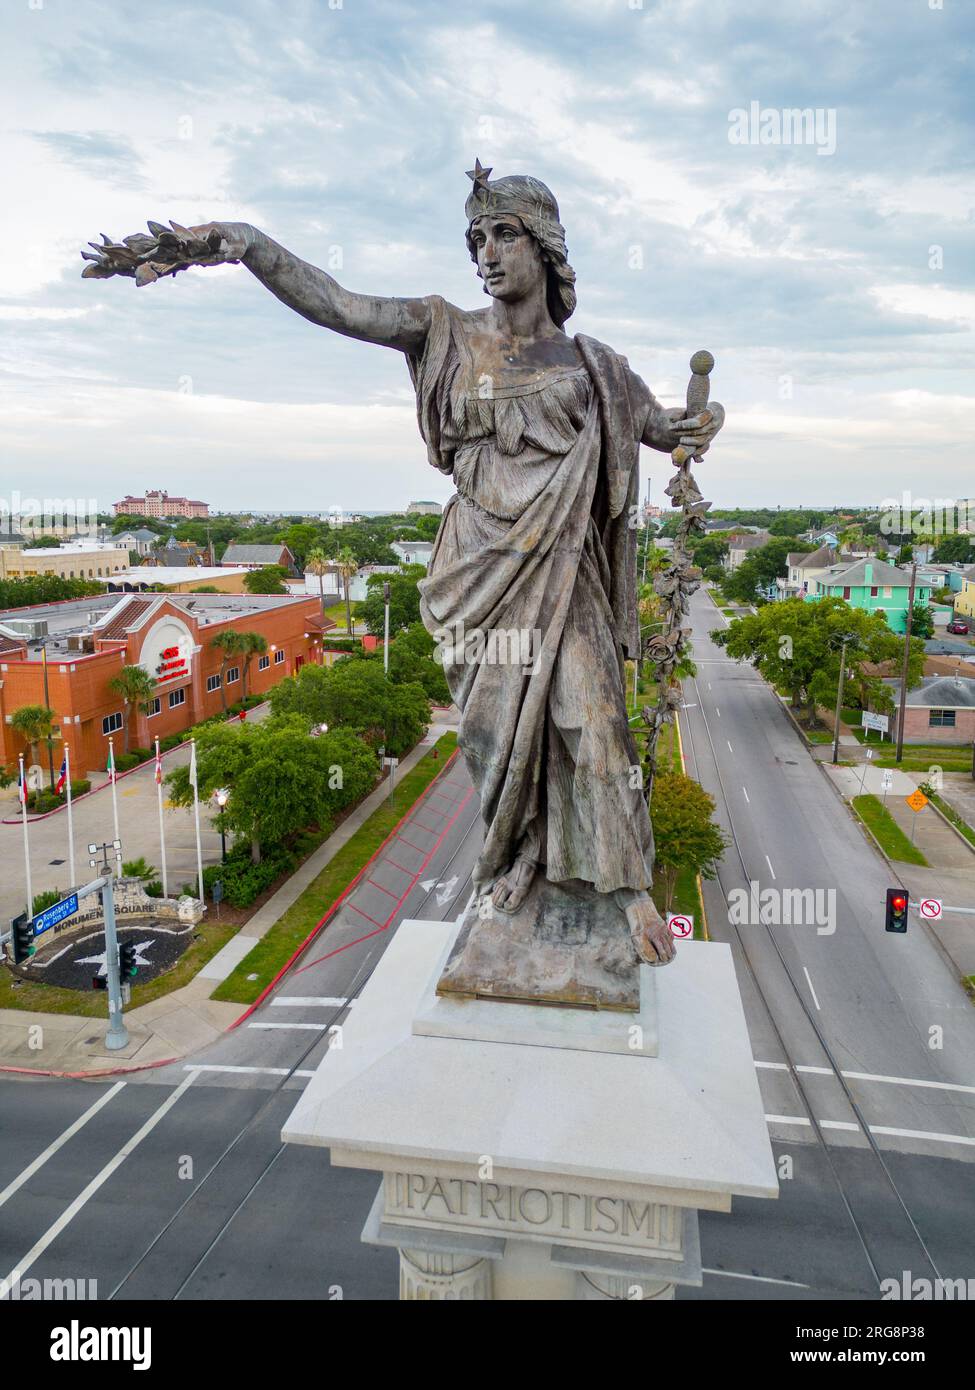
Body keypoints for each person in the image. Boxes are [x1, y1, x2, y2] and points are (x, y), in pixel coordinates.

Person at [82, 163, 723, 972]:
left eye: (503, 234)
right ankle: (517, 868)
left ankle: (620, 889)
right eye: (475, 239)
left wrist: (698, 423)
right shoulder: (442, 327)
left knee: (591, 725)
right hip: (478, 572)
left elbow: (666, 432)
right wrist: (240, 243)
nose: (485, 254)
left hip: (565, 576)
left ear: (547, 245)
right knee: (493, 742)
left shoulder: (598, 365)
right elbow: (338, 304)